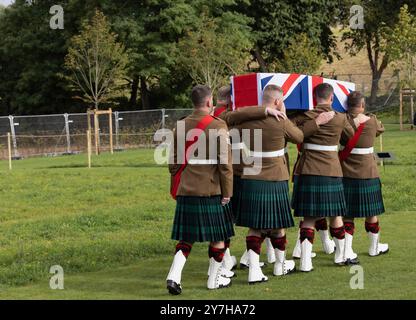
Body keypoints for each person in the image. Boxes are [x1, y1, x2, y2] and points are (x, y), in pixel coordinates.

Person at [291, 83, 368, 272]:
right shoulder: (341, 117)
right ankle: (340, 257)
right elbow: (350, 139)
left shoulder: (304, 116)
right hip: (331, 170)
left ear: (315, 98)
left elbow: (293, 133)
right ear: (332, 98)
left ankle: (305, 263)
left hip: (308, 170)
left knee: (309, 217)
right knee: (336, 215)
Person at [166, 85, 234, 295]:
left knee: (186, 237)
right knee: (218, 237)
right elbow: (225, 164)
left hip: (187, 189)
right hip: (211, 190)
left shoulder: (180, 125)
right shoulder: (218, 125)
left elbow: (172, 163)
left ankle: (174, 276)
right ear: (208, 102)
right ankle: (214, 280)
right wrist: (227, 191)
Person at [214, 85, 287, 269]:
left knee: (259, 218)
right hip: (233, 171)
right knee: (230, 220)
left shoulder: (237, 114)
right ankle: (225, 261)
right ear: (232, 98)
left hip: (240, 170)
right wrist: (265, 110)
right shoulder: (224, 114)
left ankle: (252, 257)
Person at [340, 91, 389, 260]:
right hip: (368, 172)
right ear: (362, 105)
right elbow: (380, 129)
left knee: (347, 214)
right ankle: (374, 248)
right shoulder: (372, 120)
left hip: (346, 173)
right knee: (371, 212)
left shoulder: (342, 120)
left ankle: (346, 250)